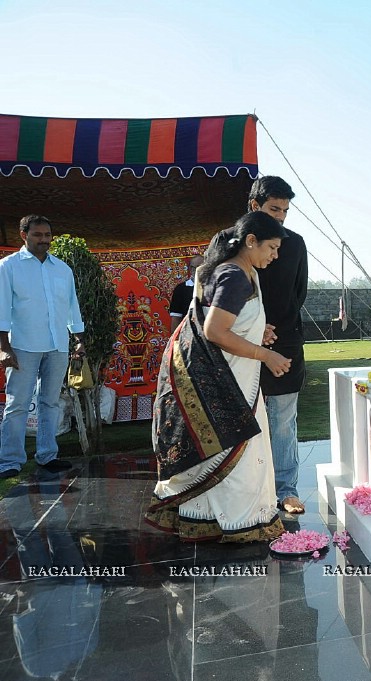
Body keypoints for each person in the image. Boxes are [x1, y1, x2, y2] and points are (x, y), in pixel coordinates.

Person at [145, 211, 291, 542]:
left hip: (228, 372)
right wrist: (266, 354)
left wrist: (258, 331)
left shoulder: (244, 271)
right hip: (221, 376)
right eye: (271, 247)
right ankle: (242, 523)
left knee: (228, 449)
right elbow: (214, 331)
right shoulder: (234, 275)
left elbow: (229, 321)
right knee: (235, 449)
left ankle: (207, 519)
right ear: (250, 241)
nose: (275, 255)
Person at [0, 215, 85, 479]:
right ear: (23, 235)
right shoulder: (8, 267)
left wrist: (79, 340)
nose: (44, 240)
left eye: (48, 235)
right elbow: (1, 308)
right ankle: (9, 462)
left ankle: (48, 456)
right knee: (18, 404)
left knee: (50, 402)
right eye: (38, 235)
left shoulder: (62, 269)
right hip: (23, 345)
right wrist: (3, 347)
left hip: (58, 345)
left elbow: (72, 306)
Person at [249, 176, 308, 515]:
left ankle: (286, 489)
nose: (281, 217)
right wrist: (255, 326)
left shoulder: (296, 244)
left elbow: (298, 295)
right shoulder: (228, 242)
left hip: (284, 341)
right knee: (242, 417)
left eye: (285, 210)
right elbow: (218, 295)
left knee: (283, 418)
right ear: (254, 205)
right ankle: (249, 488)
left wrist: (272, 331)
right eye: (274, 209)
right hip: (238, 341)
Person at [168, 254, 204, 330]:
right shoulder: (181, 289)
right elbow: (176, 317)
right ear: (191, 269)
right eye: (198, 267)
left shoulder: (212, 286)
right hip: (189, 333)